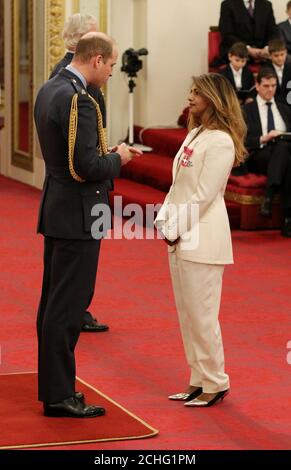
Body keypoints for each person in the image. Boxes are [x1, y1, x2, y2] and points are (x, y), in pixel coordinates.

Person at [34, 32, 142, 417]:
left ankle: (54, 388)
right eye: (111, 64)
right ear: (96, 60)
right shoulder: (79, 98)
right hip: (78, 213)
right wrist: (120, 158)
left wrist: (101, 155)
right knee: (67, 308)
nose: (113, 71)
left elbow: (69, 156)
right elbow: (86, 167)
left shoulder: (50, 87)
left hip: (59, 208)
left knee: (53, 304)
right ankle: (59, 395)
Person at [155, 74, 247, 407]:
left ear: (213, 98)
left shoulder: (220, 140)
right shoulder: (196, 133)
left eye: (197, 92)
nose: (190, 97)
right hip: (179, 234)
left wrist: (175, 228)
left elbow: (206, 195)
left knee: (203, 314)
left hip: (202, 236)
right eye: (191, 91)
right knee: (187, 313)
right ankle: (198, 378)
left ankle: (216, 382)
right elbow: (178, 185)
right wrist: (164, 221)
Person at [50, 13, 108, 333]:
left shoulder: (75, 74)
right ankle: (78, 309)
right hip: (83, 185)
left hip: (89, 177)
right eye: (94, 34)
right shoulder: (69, 77)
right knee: (83, 254)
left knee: (91, 248)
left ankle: (80, 306)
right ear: (80, 39)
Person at [243, 67, 291, 236]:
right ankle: (287, 218)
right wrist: (264, 138)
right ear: (257, 86)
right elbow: (241, 140)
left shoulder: (284, 108)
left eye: (273, 85)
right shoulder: (247, 110)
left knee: (284, 149)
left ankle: (269, 198)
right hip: (259, 154)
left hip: (282, 154)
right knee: (286, 158)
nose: (270, 89)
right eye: (266, 86)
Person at [218, 0, 278, 64]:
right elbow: (227, 34)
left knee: (285, 61)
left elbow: (273, 33)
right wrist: (247, 49)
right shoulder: (227, 4)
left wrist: (267, 48)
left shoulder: (266, 5)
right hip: (237, 51)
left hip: (263, 53)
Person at [265, 38, 291, 103]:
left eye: (282, 54)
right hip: (273, 102)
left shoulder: (290, 67)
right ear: (270, 56)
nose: (280, 58)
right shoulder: (265, 69)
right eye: (276, 56)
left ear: (286, 53)